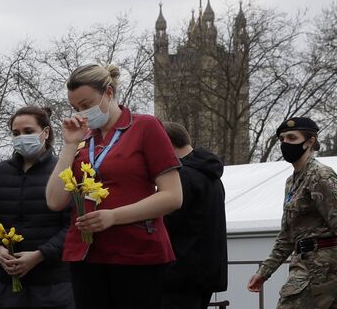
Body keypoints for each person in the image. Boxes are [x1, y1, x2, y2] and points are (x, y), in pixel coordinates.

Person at [45, 64, 183, 309]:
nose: (82, 114)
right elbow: (55, 201)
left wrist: (113, 216)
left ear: (108, 93)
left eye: (87, 105)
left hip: (136, 253)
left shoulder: (145, 127)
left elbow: (172, 196)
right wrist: (68, 145)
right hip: (85, 255)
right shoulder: (83, 139)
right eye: (76, 108)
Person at [247, 117, 337, 308]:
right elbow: (288, 235)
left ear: (310, 142)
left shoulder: (320, 176)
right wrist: (264, 271)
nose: (285, 143)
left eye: (292, 138)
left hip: (320, 265)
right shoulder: (292, 182)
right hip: (312, 262)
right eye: (282, 139)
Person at [0, 106, 74, 309]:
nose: (21, 137)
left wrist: (40, 255)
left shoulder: (63, 171)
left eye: (28, 131)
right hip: (7, 287)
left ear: (45, 133)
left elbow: (73, 225)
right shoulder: (0, 173)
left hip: (53, 286)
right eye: (15, 133)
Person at [162, 122, 227, 309]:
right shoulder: (212, 176)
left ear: (167, 143)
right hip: (206, 272)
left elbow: (169, 222)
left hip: (181, 273)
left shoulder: (181, 177)